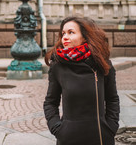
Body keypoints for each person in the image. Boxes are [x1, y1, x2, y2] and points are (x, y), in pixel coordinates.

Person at [43, 16, 120, 145]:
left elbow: (112, 99)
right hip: (68, 138)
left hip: (101, 138)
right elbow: (50, 102)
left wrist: (110, 127)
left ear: (84, 36)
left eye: (71, 32)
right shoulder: (58, 65)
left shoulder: (102, 64)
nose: (64, 37)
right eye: (63, 33)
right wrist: (57, 128)